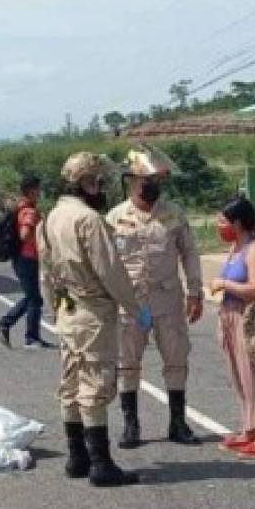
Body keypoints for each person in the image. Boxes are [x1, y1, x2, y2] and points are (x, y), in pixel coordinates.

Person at [37, 152, 149, 488]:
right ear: (86, 182)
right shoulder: (89, 220)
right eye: (98, 182)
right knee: (95, 385)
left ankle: (77, 457)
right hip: (92, 312)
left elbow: (45, 274)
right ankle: (101, 464)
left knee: (71, 382)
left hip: (66, 310)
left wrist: (54, 310)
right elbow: (111, 271)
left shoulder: (49, 219)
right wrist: (134, 307)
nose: (101, 189)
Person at [108, 146, 203, 448]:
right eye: (146, 180)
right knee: (127, 364)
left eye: (157, 181)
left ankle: (177, 423)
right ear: (131, 181)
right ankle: (131, 425)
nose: (152, 186)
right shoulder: (115, 217)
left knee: (176, 359)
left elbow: (189, 253)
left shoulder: (174, 214)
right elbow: (106, 262)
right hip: (130, 303)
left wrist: (195, 290)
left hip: (168, 300)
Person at [210, 197, 255, 459]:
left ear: (237, 223)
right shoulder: (236, 247)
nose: (220, 226)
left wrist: (224, 285)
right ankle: (249, 428)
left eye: (223, 221)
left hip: (249, 318)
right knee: (239, 376)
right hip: (230, 316)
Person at [0, 174, 51, 349]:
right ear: (32, 190)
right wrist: (38, 234)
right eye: (38, 189)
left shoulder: (21, 207)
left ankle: (24, 332)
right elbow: (25, 234)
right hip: (27, 258)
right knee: (34, 299)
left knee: (34, 298)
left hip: (23, 258)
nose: (40, 192)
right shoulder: (29, 211)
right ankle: (25, 334)